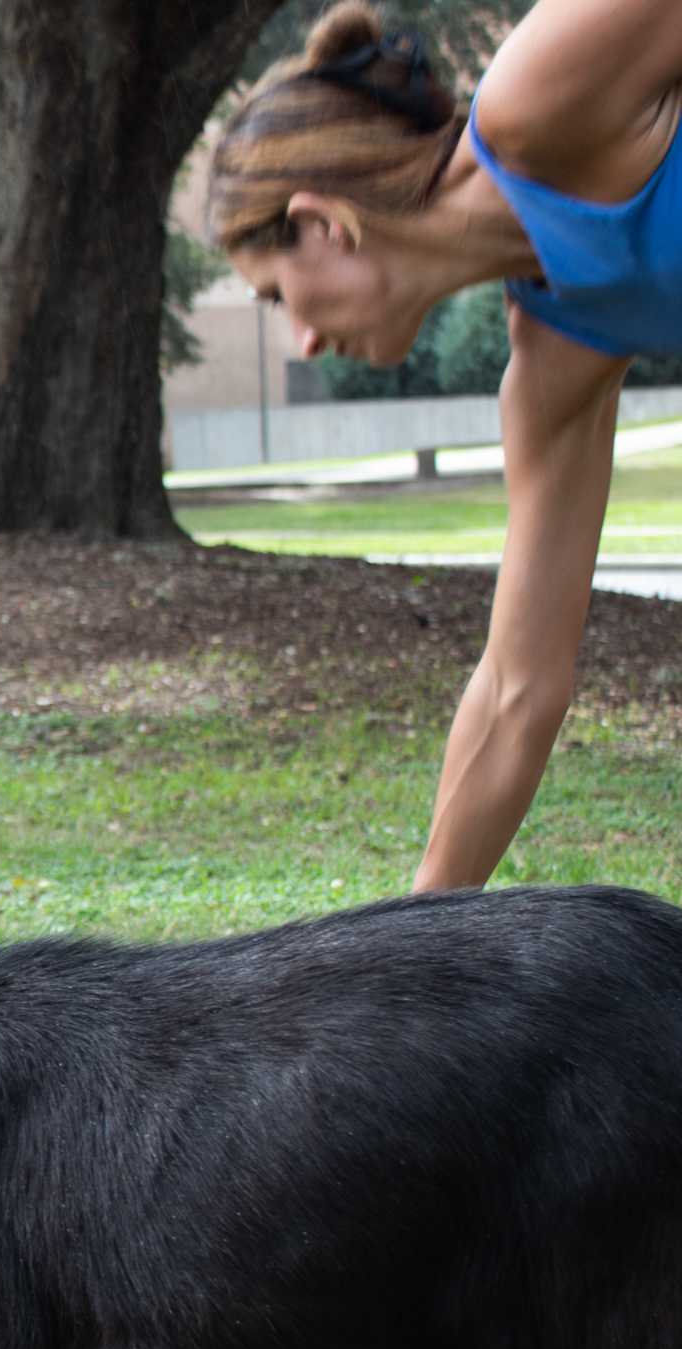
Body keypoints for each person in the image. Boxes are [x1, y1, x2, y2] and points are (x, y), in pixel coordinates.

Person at [208, 0, 682, 892]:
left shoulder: (534, 102)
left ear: (324, 223)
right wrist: (410, 956)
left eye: (276, 296)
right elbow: (517, 690)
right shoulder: (559, 350)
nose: (302, 341)